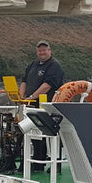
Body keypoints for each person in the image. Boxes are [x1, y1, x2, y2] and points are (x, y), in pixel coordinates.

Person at [18, 41, 65, 169]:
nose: (42, 52)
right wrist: (22, 98)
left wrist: (32, 97)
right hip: (31, 106)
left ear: (50, 51)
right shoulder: (33, 64)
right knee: (33, 134)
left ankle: (46, 162)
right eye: (40, 50)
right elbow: (24, 80)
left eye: (44, 50)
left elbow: (47, 85)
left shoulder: (54, 66)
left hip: (47, 107)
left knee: (45, 135)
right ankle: (36, 160)